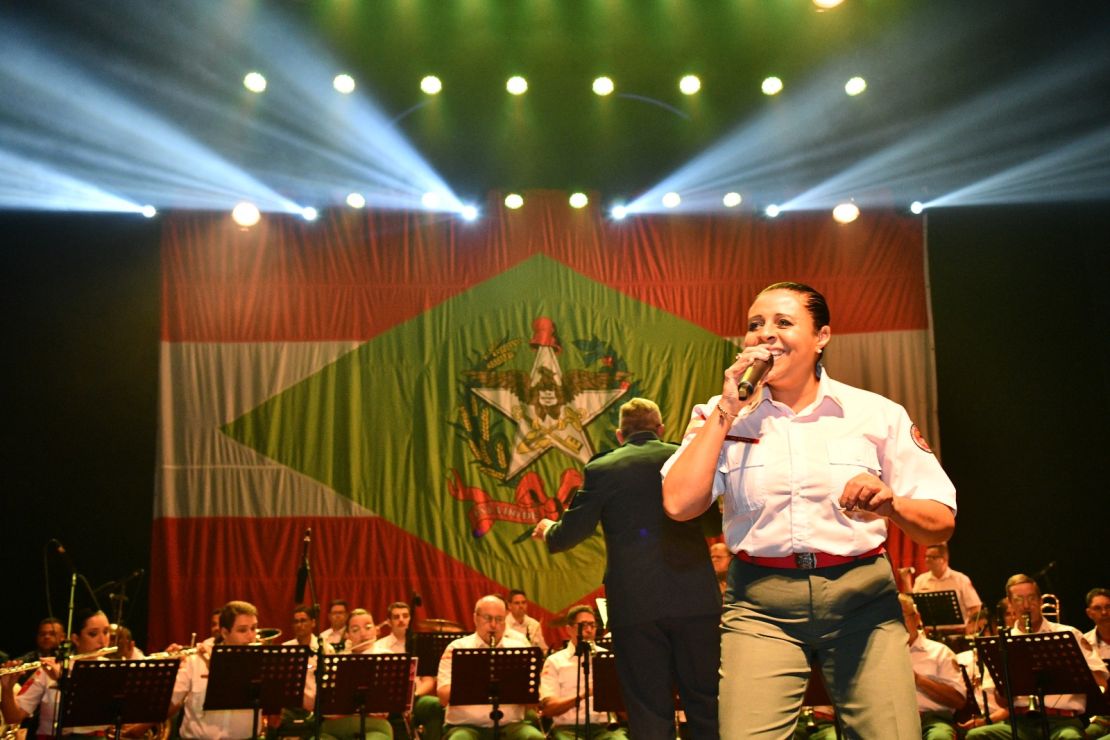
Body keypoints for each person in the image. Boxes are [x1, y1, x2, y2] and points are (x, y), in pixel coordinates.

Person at [661, 281, 958, 739]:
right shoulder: (720, 414)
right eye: (755, 324)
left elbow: (939, 525)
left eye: (783, 322)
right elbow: (680, 504)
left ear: (822, 336)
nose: (766, 333)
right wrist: (727, 408)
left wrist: (892, 504)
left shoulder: (875, 413)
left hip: (863, 599)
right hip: (759, 604)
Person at [534, 397, 720, 739]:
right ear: (660, 429)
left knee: (647, 706)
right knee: (706, 701)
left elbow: (569, 535)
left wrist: (548, 531)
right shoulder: (685, 457)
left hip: (635, 605)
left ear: (620, 435)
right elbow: (712, 526)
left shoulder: (603, 468)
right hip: (695, 600)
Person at [965, 575, 1108, 740]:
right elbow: (1002, 702)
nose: (1026, 605)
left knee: (1071, 738)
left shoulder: (1069, 633)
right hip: (1018, 722)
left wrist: (1069, 667)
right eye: (1019, 600)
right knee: (976, 736)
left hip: (1063, 721)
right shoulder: (1001, 643)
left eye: (1031, 598)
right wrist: (1008, 681)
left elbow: (1101, 681)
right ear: (1010, 604)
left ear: (1040, 601)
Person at [170, 600, 316, 739]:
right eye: (242, 630)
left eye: (253, 628)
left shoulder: (264, 665)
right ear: (225, 633)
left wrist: (282, 681)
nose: (251, 636)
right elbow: (168, 705)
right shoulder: (196, 662)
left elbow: (305, 706)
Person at [1, 608, 127, 736]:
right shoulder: (50, 669)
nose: (102, 640)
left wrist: (64, 681)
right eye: (93, 634)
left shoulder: (112, 669)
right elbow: (13, 717)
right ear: (76, 639)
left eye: (106, 632)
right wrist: (7, 688)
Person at [436, 595, 543, 740]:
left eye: (499, 619)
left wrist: (526, 693)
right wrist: (477, 682)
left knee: (534, 737)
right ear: (475, 618)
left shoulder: (519, 649)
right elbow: (443, 696)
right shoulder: (456, 648)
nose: (493, 625)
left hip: (510, 725)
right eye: (487, 618)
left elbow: (532, 699)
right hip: (466, 726)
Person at [539, 605, 626, 740]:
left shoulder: (607, 657)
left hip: (605, 728)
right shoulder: (554, 661)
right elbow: (549, 709)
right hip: (567, 729)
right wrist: (585, 694)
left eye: (592, 625)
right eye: (583, 625)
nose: (589, 630)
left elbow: (623, 706)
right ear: (569, 629)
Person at [898, 594, 966, 740]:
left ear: (917, 618)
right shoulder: (880, 655)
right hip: (893, 720)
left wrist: (918, 680)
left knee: (939, 737)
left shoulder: (939, 652)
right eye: (891, 618)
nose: (897, 623)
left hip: (932, 719)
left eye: (902, 616)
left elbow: (958, 701)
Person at [912, 543, 983, 631]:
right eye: (926, 557)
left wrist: (971, 626)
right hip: (929, 633)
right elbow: (913, 606)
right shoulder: (920, 580)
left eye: (933, 557)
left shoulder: (960, 579)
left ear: (944, 559)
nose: (927, 560)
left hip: (957, 633)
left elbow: (975, 607)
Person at [1084, 588, 1110, 738]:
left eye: (1108, 607)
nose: (1104, 612)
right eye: (1098, 608)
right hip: (1099, 716)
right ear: (1089, 613)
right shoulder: (1083, 642)